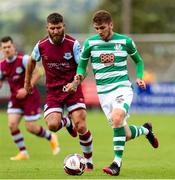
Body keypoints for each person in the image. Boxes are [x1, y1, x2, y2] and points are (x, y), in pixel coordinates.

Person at [66, 10, 159, 176]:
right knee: (125, 134)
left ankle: (116, 164)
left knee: (117, 119)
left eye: (102, 27)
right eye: (96, 28)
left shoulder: (125, 41)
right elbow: (82, 64)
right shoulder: (90, 43)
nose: (99, 31)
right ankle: (146, 130)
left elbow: (138, 61)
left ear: (111, 25)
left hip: (122, 87)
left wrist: (139, 77)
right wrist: (79, 75)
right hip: (103, 92)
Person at [24, 13, 93, 171]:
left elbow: (84, 67)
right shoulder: (40, 46)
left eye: (58, 28)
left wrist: (75, 82)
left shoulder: (73, 44)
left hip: (72, 89)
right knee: (53, 125)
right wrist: (27, 82)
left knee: (81, 126)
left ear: (64, 27)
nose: (56, 31)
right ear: (47, 28)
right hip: (53, 92)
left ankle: (88, 162)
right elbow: (32, 61)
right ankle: (66, 122)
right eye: (52, 28)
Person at [0, 36, 60, 160]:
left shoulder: (24, 59)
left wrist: (26, 88)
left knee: (31, 127)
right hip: (15, 99)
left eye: (9, 47)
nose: (7, 49)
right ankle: (23, 153)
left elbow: (38, 72)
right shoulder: (1, 65)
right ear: (1, 49)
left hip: (30, 97)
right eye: (4, 47)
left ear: (13, 47)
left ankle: (51, 137)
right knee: (12, 124)